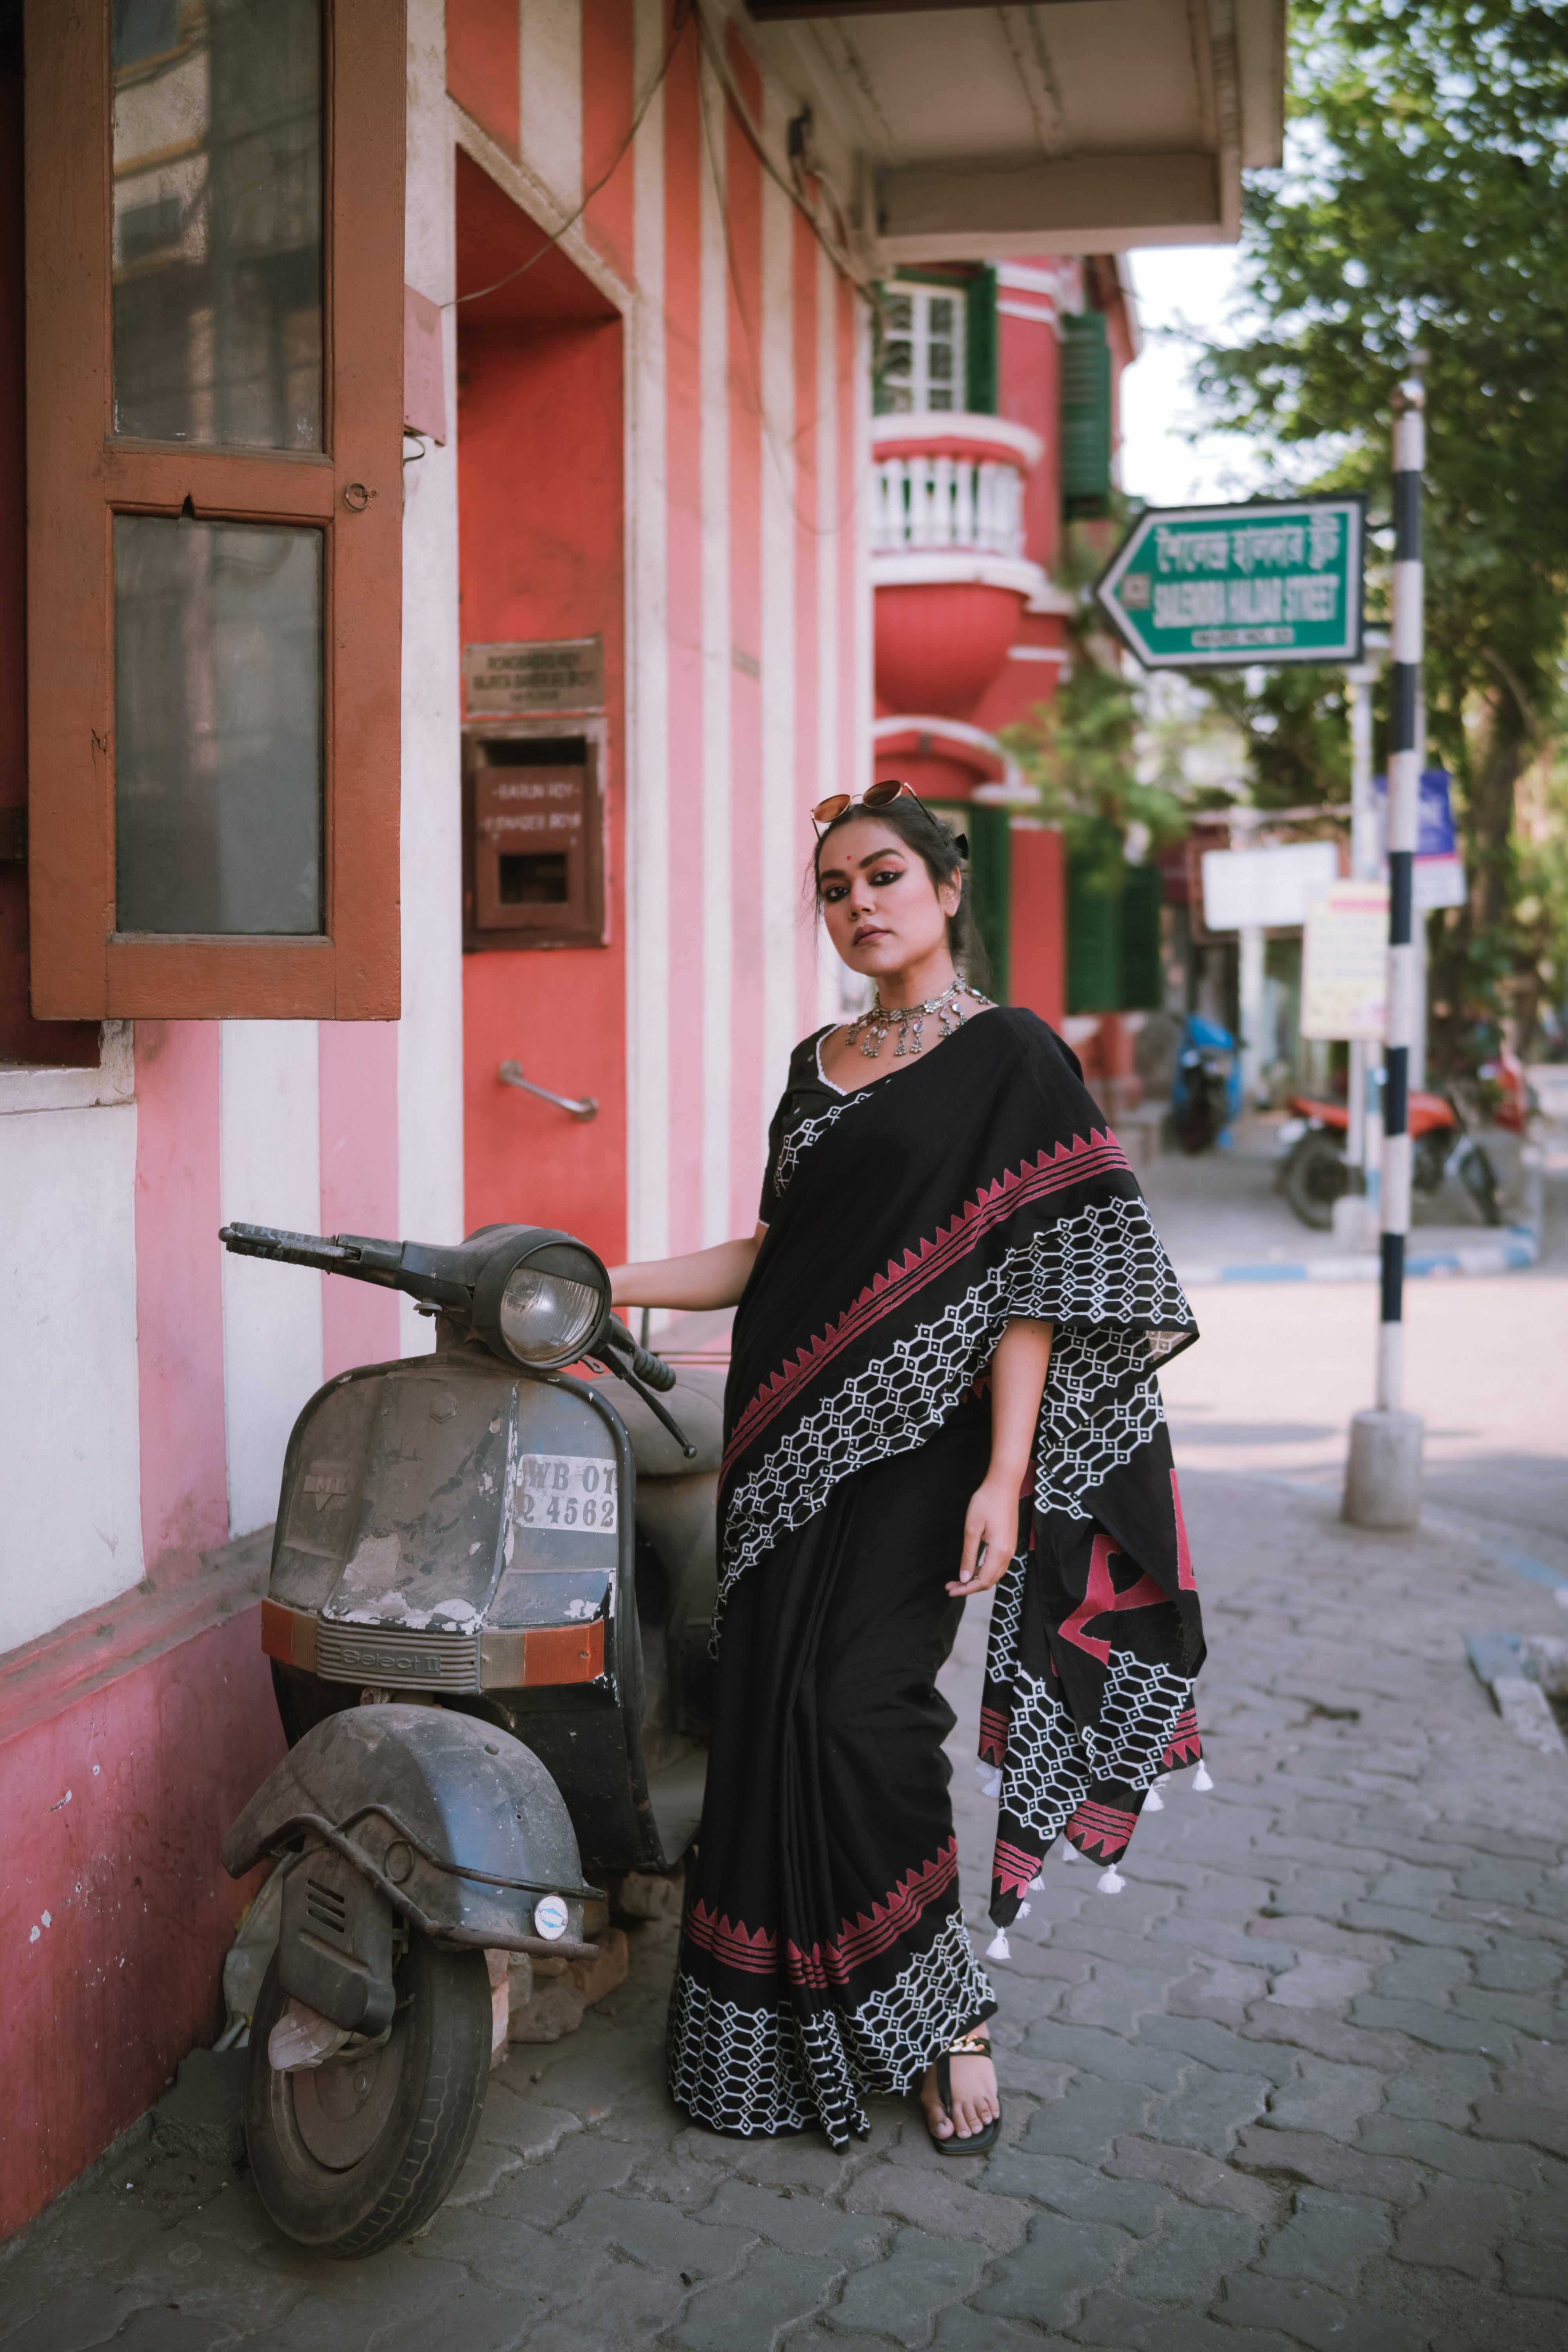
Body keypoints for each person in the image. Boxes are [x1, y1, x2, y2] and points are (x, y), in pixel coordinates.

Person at [608, 781, 1205, 2153]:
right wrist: (598, 1275)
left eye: (883, 875)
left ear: (947, 887)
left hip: (926, 1451)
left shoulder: (1011, 1057)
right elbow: (768, 1256)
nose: (859, 904)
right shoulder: (816, 1064)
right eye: (834, 888)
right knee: (770, 1712)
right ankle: (785, 2020)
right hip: (779, 1443)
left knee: (860, 1712)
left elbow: (1039, 1279)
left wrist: (1005, 1476)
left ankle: (949, 2020)